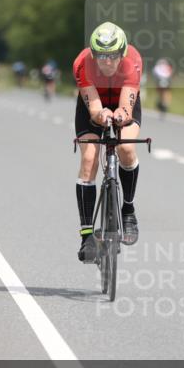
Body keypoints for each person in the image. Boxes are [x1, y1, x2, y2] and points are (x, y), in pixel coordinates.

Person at [73, 22, 143, 262]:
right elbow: (93, 107)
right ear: (93, 53)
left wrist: (121, 115)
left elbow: (126, 105)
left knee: (126, 148)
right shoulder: (83, 63)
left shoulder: (132, 60)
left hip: (122, 102)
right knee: (89, 159)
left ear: (122, 52)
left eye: (113, 56)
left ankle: (128, 209)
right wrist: (101, 115)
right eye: (101, 56)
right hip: (94, 108)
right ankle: (86, 235)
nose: (107, 61)